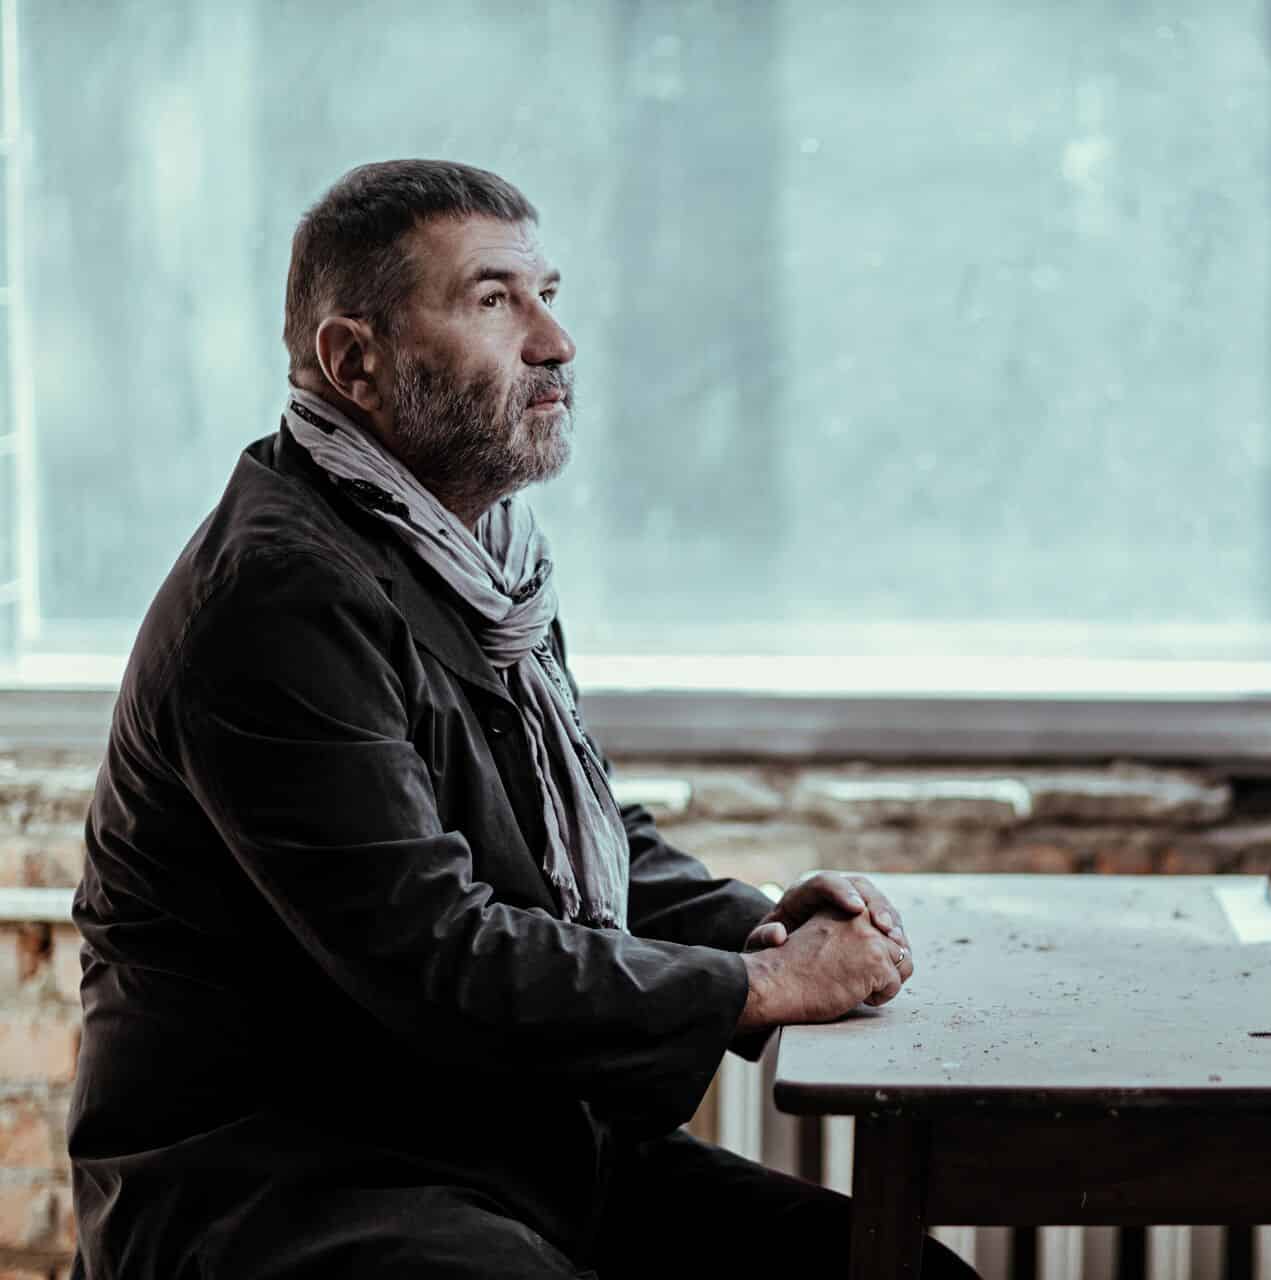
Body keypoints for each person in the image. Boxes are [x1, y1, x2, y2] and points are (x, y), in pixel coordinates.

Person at [67, 159, 975, 1279]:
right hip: (292, 1181)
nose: (555, 341)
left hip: (506, 1146)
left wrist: (763, 928)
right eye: (494, 300)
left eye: (548, 294)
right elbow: (436, 955)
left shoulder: (479, 558)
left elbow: (567, 839)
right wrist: (760, 989)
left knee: (906, 1274)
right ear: (354, 361)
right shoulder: (279, 594)